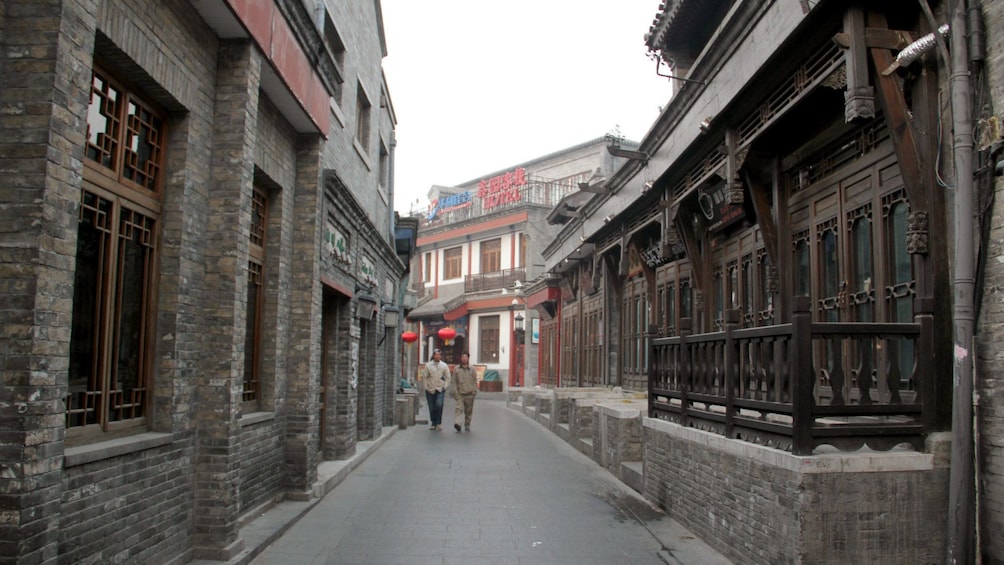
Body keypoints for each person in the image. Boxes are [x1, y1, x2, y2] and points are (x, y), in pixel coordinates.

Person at [421, 349, 450, 430]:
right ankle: (433, 422)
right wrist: (426, 387)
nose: (437, 356)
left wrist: (445, 386)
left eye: (439, 354)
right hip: (430, 388)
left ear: (440, 356)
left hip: (440, 388)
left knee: (439, 404)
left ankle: (439, 422)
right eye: (436, 354)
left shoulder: (444, 365)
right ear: (433, 356)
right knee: (431, 406)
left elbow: (448, 377)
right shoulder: (428, 365)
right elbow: (425, 377)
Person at [452, 352, 478, 432]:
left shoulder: (472, 369)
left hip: (470, 394)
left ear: (468, 358)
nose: (464, 358)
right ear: (461, 358)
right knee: (458, 409)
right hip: (460, 393)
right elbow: (454, 381)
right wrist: (455, 392)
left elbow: (475, 381)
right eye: (462, 357)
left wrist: (474, 391)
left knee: (468, 411)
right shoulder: (457, 369)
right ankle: (458, 423)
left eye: (465, 357)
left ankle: (467, 424)